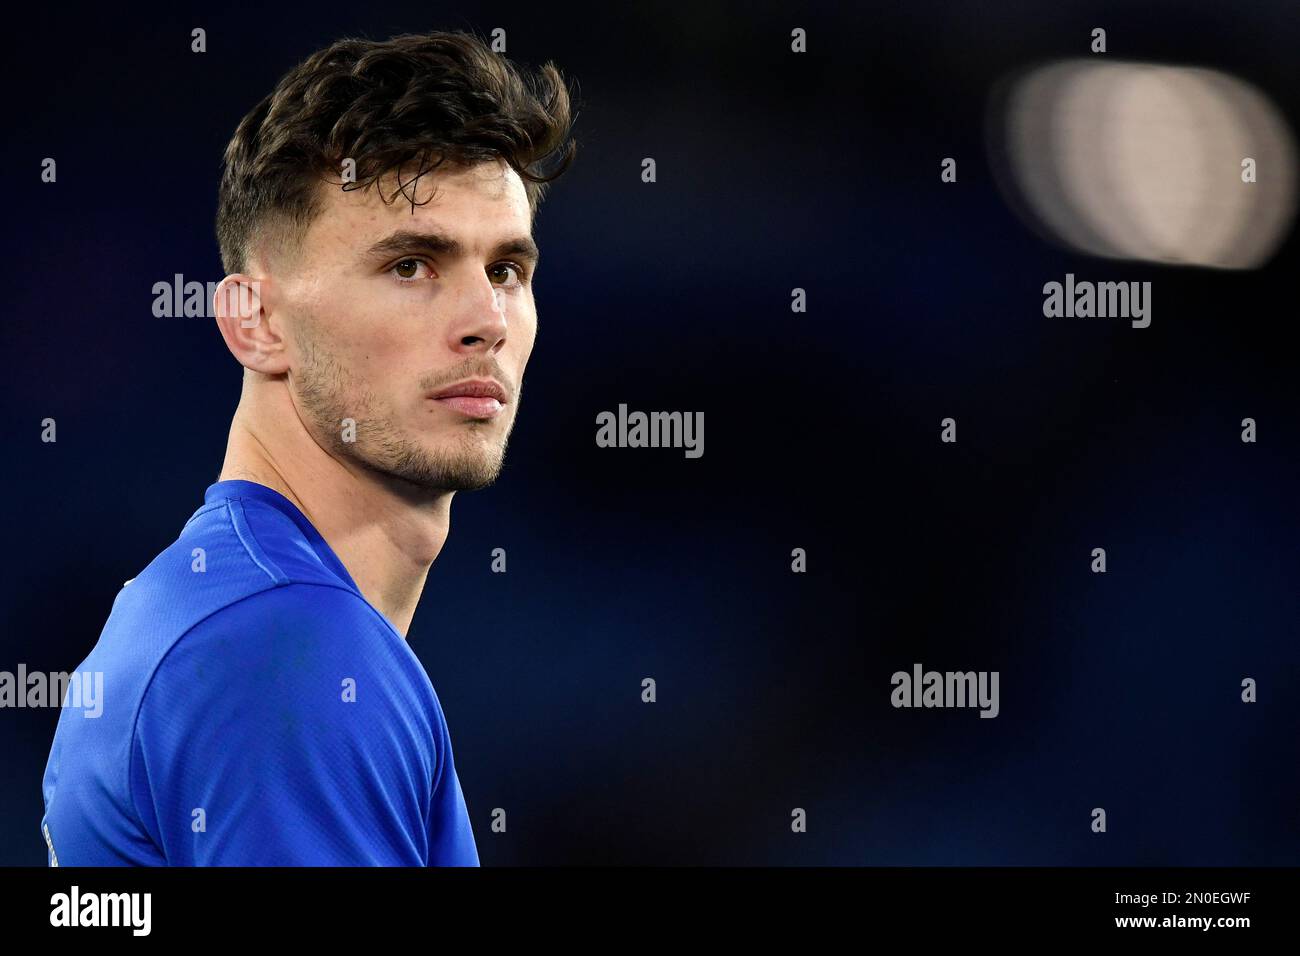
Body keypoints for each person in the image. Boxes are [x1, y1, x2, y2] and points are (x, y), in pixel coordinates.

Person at [39, 29, 577, 865]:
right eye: (411, 265)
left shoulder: (218, 608)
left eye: (506, 270)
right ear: (255, 322)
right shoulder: (286, 654)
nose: (488, 321)